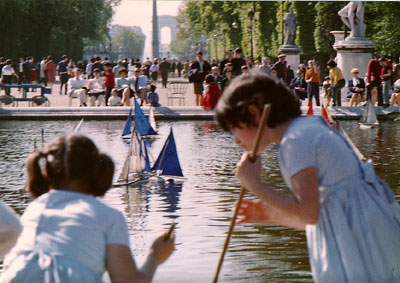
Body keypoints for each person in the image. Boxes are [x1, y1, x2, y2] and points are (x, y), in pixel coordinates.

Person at [215, 70, 400, 283]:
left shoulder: (294, 141)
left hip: (359, 249)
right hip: (370, 238)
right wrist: (271, 214)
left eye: (234, 129)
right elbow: (323, 216)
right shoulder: (307, 129)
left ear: (253, 114)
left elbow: (308, 213)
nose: (236, 141)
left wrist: (254, 184)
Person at [2, 134, 175, 282]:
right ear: (97, 172)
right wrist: (155, 256)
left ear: (47, 174)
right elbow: (126, 280)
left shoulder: (33, 209)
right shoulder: (109, 217)